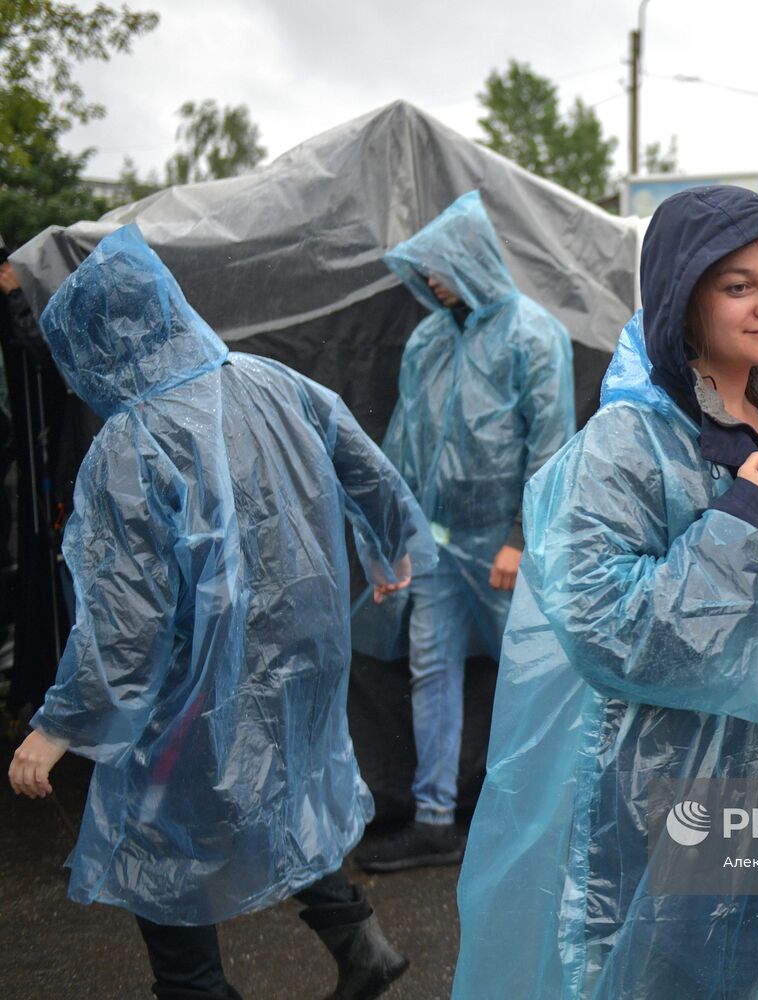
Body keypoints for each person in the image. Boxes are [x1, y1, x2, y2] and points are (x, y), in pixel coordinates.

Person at [451, 185, 758, 998]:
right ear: (683, 295)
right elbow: (605, 626)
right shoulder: (628, 441)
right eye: (738, 285)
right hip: (671, 793)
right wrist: (743, 527)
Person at [6, 225, 437, 1000]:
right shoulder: (273, 380)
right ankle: (362, 945)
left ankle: (197, 990)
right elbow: (363, 461)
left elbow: (126, 615)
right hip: (304, 645)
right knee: (279, 789)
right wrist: (392, 546)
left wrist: (62, 722)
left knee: (159, 832)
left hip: (198, 669)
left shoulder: (129, 441)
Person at [352, 189, 576, 872]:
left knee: (533, 674)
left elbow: (550, 448)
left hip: (503, 546)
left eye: (442, 265)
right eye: (426, 269)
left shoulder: (534, 335)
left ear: (473, 258)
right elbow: (404, 446)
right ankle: (433, 819)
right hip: (437, 542)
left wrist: (518, 536)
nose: (434, 280)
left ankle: (536, 818)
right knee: (433, 672)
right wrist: (394, 540)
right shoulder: (427, 342)